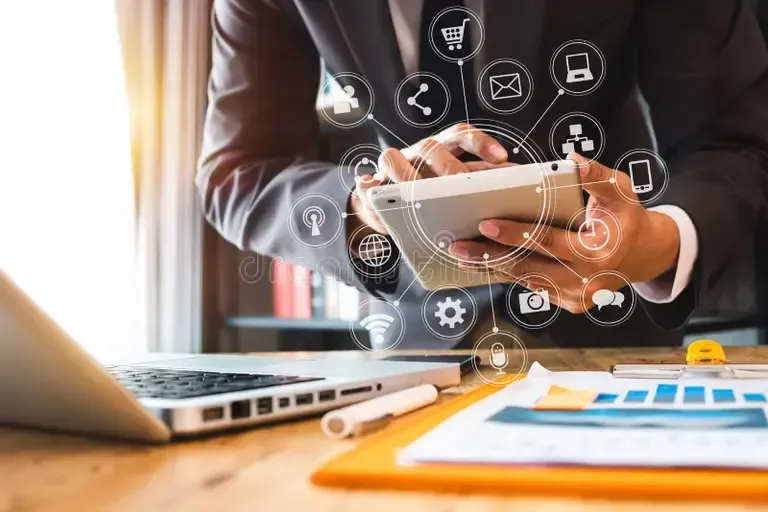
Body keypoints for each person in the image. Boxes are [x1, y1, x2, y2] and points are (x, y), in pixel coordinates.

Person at [197, 0, 768, 349]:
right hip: (413, 347)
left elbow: (733, 140)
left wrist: (657, 243)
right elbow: (238, 173)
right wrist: (363, 209)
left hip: (607, 331)